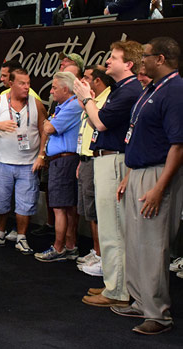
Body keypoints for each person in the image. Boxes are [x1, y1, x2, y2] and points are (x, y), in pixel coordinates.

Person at [114, 36, 183, 335]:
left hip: (158, 174)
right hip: (139, 171)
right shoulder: (153, 89)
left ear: (162, 59)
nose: (142, 62)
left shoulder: (176, 90)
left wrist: (158, 187)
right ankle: (141, 301)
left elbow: (178, 146)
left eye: (146, 57)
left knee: (153, 244)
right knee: (136, 242)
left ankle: (158, 315)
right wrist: (130, 174)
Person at [73, 40, 144, 308]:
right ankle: (114, 284)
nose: (107, 62)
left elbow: (100, 122)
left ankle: (118, 290)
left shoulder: (129, 91)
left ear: (128, 64)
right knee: (110, 226)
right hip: (107, 159)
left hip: (115, 161)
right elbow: (96, 120)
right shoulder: (121, 89)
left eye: (113, 58)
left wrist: (86, 97)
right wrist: (87, 102)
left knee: (114, 227)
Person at [0, 68, 48, 254]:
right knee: (0, 200)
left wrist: (42, 155)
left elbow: (45, 131)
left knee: (25, 203)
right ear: (11, 84)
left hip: (28, 163)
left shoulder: (36, 104)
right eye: (22, 83)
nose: (27, 87)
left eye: (28, 83)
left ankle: (21, 237)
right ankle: (0, 233)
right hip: (1, 161)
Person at [34, 72, 83, 262]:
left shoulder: (71, 106)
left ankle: (59, 247)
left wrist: (47, 122)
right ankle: (70, 246)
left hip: (63, 162)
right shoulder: (68, 105)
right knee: (67, 206)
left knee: (60, 207)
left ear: (65, 89)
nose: (51, 91)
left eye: (54, 87)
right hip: (64, 160)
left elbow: (48, 128)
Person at [75, 65, 114, 275]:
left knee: (98, 211)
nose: (83, 81)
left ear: (98, 81)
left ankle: (102, 254)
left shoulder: (106, 100)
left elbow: (99, 126)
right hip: (87, 158)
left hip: (99, 159)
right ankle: (97, 250)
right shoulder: (91, 101)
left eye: (87, 78)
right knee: (89, 209)